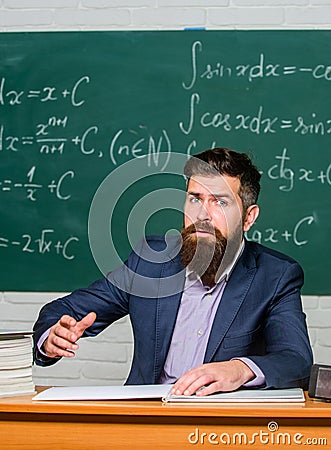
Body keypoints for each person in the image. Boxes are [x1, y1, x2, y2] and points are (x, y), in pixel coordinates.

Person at [33, 147, 313, 396]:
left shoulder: (275, 276)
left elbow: (295, 360)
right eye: (195, 198)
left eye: (221, 202)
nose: (202, 214)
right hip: (147, 421)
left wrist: (239, 370)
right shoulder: (150, 262)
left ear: (249, 217)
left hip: (221, 427)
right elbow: (61, 311)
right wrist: (53, 336)